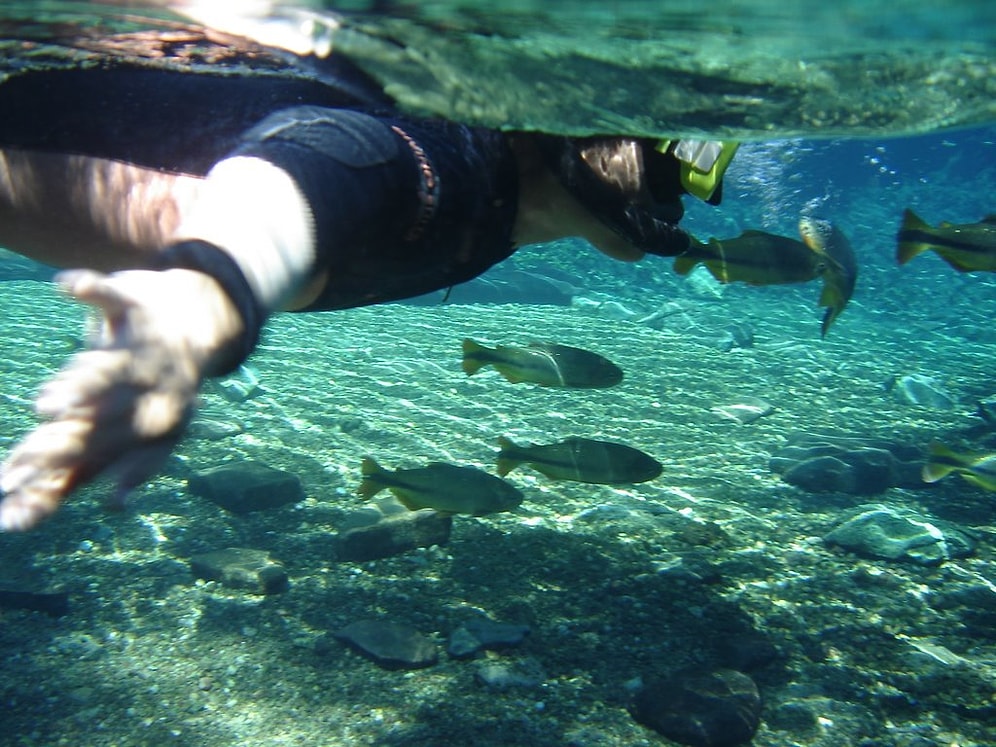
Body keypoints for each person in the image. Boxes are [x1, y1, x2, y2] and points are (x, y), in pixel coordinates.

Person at [0, 43, 733, 531]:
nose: (685, 189)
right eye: (675, 145)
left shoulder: (492, 214)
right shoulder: (456, 170)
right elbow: (303, 179)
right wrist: (193, 313)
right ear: (583, 115)